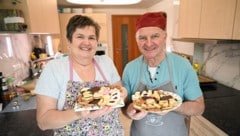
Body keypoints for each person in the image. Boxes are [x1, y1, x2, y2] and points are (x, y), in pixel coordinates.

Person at [35, 15, 127, 136]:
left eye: (92, 38)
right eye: (80, 36)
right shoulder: (54, 69)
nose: (87, 42)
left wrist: (123, 94)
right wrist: (78, 113)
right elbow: (43, 121)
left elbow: (118, 95)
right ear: (69, 41)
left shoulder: (106, 62)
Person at [122, 11, 205, 136]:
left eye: (155, 36)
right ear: (136, 39)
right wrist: (129, 111)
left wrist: (172, 106)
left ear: (164, 37)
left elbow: (199, 107)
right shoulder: (130, 68)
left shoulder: (183, 66)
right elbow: (124, 106)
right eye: (142, 38)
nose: (149, 43)